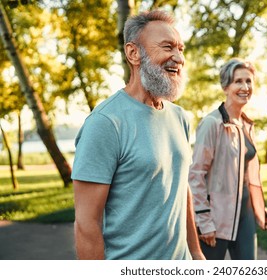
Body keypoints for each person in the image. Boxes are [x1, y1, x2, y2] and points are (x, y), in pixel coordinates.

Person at [72, 10, 204, 260]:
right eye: (167, 47)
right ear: (133, 53)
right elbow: (86, 225)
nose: (178, 57)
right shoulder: (105, 123)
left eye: (181, 49)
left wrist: (195, 252)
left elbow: (180, 187)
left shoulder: (180, 117)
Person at [188, 58, 267, 260]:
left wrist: (261, 208)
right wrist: (203, 221)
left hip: (245, 217)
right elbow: (195, 175)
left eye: (249, 81)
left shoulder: (246, 124)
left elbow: (245, 175)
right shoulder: (212, 123)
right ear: (226, 87)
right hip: (216, 220)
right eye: (238, 81)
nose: (245, 87)